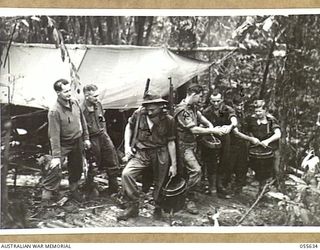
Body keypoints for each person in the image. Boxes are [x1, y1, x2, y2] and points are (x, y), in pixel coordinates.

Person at [117, 92, 177, 221]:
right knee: (127, 174)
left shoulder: (169, 120)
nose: (149, 112)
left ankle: (158, 207)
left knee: (161, 181)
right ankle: (133, 205)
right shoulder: (139, 114)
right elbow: (129, 126)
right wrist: (127, 147)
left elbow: (171, 142)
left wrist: (174, 164)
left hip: (160, 152)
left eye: (152, 109)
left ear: (161, 106)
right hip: (142, 152)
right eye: (147, 108)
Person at [174, 85, 229, 214]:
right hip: (183, 146)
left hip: (192, 144)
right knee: (196, 171)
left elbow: (200, 117)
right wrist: (212, 130)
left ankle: (187, 194)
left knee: (191, 172)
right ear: (193, 94)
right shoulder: (182, 110)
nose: (200, 99)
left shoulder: (192, 107)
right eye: (199, 96)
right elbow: (193, 129)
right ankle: (187, 198)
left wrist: (209, 125)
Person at [43, 79, 91, 202]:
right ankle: (46, 196)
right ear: (58, 93)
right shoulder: (54, 111)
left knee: (77, 167)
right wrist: (56, 156)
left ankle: (74, 190)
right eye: (65, 92)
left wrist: (86, 138)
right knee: (55, 169)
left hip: (77, 141)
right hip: (63, 143)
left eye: (70, 90)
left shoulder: (75, 102)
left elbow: (82, 121)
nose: (69, 93)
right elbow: (54, 135)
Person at [82, 84, 120, 196]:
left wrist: (105, 135)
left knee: (112, 159)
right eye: (94, 96)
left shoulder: (98, 104)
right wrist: (86, 140)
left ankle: (114, 189)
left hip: (103, 135)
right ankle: (90, 189)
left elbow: (102, 120)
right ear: (87, 96)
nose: (97, 98)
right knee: (93, 164)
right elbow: (82, 128)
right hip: (91, 138)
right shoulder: (81, 109)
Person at [202, 91, 237, 199]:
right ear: (210, 101)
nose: (216, 104)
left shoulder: (227, 109)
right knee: (211, 161)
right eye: (213, 101)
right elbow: (202, 123)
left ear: (221, 100)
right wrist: (210, 129)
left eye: (218, 101)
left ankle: (220, 185)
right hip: (211, 138)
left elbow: (234, 120)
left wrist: (230, 126)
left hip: (225, 137)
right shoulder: (207, 111)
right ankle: (212, 186)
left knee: (224, 160)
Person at [244, 100, 281, 192]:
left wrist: (267, 141)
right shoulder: (251, 119)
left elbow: (278, 134)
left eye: (260, 111)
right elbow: (248, 131)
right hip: (257, 149)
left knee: (274, 169)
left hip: (270, 149)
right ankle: (260, 186)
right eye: (256, 111)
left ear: (265, 110)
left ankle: (273, 187)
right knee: (257, 167)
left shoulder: (271, 120)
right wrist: (252, 138)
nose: (258, 113)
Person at [230, 96, 260, 194]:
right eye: (238, 105)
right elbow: (236, 133)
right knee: (230, 166)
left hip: (243, 145)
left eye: (242, 105)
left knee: (242, 166)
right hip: (232, 144)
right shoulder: (232, 115)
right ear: (233, 105)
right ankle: (228, 187)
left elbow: (247, 129)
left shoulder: (243, 115)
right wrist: (251, 139)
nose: (240, 107)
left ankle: (238, 189)